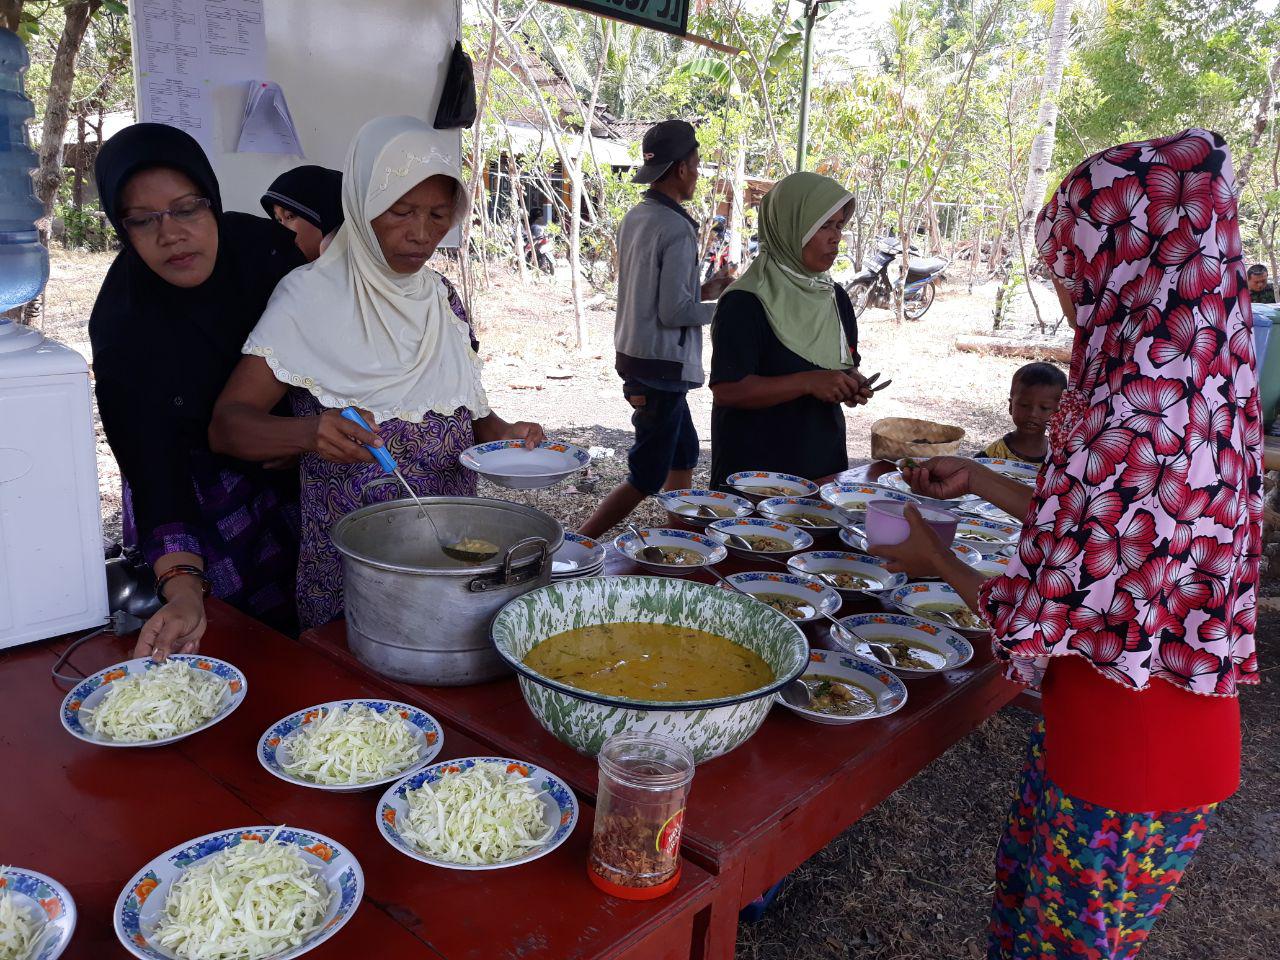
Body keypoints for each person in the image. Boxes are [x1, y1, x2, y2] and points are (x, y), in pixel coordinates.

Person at [877, 128, 1260, 959]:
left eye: (1071, 258)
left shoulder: (1129, 407)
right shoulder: (1202, 382)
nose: (1063, 285)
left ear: (1124, 249)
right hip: (1162, 746)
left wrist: (929, 558)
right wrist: (978, 482)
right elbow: (1106, 547)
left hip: (1122, 760)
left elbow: (1034, 608)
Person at [210, 116, 544, 629]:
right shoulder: (310, 297)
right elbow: (227, 426)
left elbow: (466, 411)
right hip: (354, 565)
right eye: (401, 211)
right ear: (362, 206)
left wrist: (507, 439)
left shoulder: (441, 299)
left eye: (437, 215)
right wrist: (306, 433)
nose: (421, 234)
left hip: (453, 552)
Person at [89, 123, 305, 658]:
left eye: (186, 209)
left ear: (212, 202)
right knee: (228, 643)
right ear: (123, 230)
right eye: (142, 220)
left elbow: (334, 352)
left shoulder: (268, 257)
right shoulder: (123, 323)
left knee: (312, 627)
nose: (171, 235)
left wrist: (291, 434)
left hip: (297, 470)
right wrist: (183, 586)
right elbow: (150, 460)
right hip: (197, 493)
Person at [577, 120, 733, 538]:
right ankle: (576, 544)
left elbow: (653, 294)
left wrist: (705, 289)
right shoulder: (678, 229)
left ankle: (680, 539)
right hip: (661, 368)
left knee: (683, 455)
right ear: (681, 168)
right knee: (646, 475)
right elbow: (673, 311)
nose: (699, 173)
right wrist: (725, 307)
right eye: (697, 165)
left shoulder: (637, 217)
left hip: (634, 355)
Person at [707, 172, 875, 489]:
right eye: (823, 226)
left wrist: (851, 383)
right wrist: (808, 382)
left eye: (839, 225)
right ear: (790, 227)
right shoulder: (746, 302)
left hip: (822, 468)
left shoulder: (834, 297)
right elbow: (728, 390)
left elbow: (843, 363)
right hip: (755, 477)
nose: (835, 237)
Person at [977, 362, 1066, 464]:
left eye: (1044, 408)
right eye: (1024, 405)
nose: (1032, 414)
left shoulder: (1058, 457)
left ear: (1058, 414)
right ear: (1011, 406)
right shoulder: (994, 454)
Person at [260, 165, 344, 262]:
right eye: (279, 220)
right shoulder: (288, 273)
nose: (281, 229)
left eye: (289, 216)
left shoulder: (359, 269)